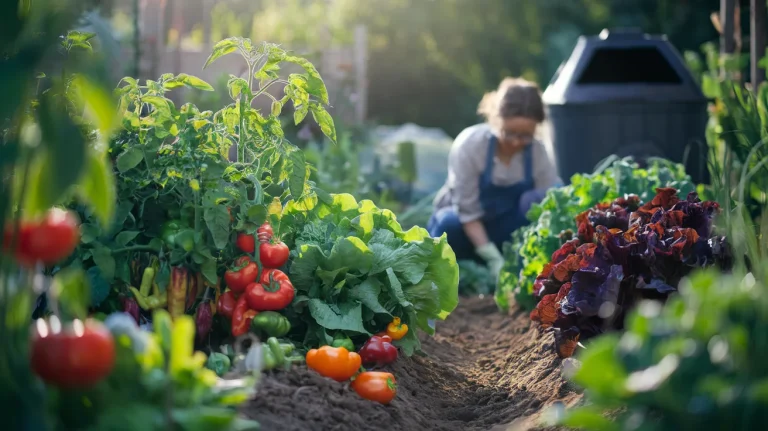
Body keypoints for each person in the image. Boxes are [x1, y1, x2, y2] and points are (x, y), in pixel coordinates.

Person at [427, 77, 563, 282]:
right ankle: (443, 277)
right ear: (495, 120)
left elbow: (550, 204)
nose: (517, 142)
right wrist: (492, 258)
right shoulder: (470, 146)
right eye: (509, 133)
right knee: (448, 223)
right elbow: (467, 213)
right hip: (465, 229)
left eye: (526, 135)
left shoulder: (538, 152)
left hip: (504, 231)